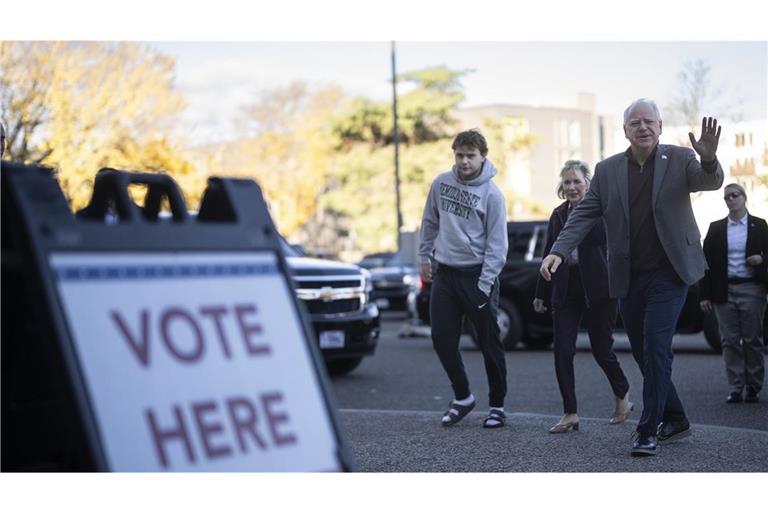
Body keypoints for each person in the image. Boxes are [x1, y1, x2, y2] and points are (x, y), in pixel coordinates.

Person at [539, 99, 723, 456]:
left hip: (670, 272)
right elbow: (583, 215)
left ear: (659, 127)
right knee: (642, 353)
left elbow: (709, 182)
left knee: (656, 348)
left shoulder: (681, 159)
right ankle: (676, 418)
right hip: (628, 275)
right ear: (625, 130)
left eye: (649, 121)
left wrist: (709, 158)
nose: (643, 127)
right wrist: (558, 250)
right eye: (635, 122)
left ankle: (647, 429)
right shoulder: (607, 171)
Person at [418, 129, 509, 428]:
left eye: (470, 155)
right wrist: (424, 257)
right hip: (445, 274)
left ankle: (497, 405)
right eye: (459, 155)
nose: (464, 161)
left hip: (477, 276)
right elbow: (430, 222)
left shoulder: (492, 194)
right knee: (442, 339)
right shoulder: (441, 183)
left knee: (489, 343)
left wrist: (484, 284)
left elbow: (498, 244)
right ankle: (463, 397)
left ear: (483, 156)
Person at [534, 160, 633, 433]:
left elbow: (607, 242)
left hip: (600, 289)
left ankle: (622, 392)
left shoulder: (602, 211)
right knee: (562, 352)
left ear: (588, 182)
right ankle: (570, 413)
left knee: (602, 351)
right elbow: (548, 253)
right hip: (566, 290)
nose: (572, 187)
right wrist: (541, 293)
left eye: (577, 181)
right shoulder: (558, 214)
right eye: (567, 182)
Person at [699, 183, 767, 404]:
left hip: (751, 288)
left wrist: (761, 259)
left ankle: (754, 387)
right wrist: (704, 295)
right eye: (726, 197)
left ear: (744, 198)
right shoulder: (717, 228)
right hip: (724, 290)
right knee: (729, 341)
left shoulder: (759, 225)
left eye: (734, 195)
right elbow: (705, 263)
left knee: (752, 339)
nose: (730, 199)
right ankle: (736, 387)